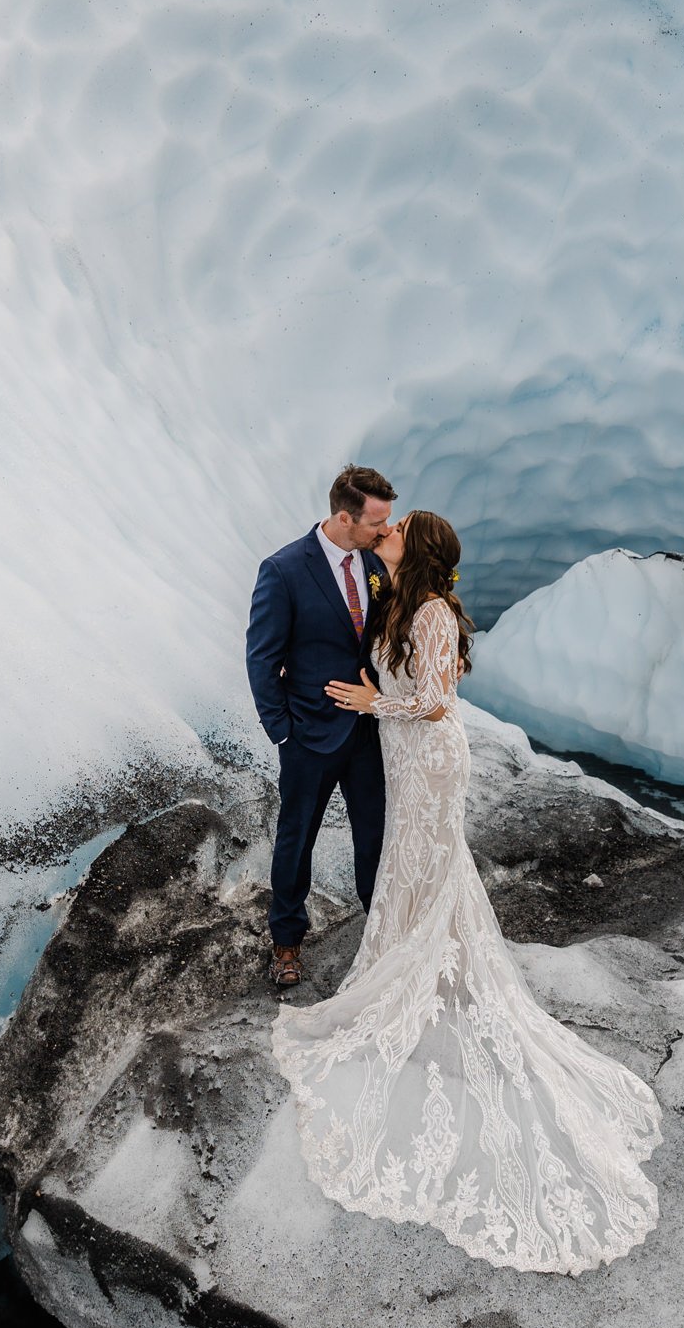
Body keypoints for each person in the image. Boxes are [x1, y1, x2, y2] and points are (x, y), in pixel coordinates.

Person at [271, 508, 661, 1275]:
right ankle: (413, 960)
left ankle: (418, 973)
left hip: (431, 756)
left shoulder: (433, 612)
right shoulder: (401, 600)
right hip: (405, 756)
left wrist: (367, 701)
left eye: (399, 526)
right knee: (415, 869)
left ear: (415, 548)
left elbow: (438, 701)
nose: (389, 528)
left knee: (426, 863)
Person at [245, 465, 398, 989]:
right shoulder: (284, 570)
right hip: (308, 735)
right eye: (376, 520)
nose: (385, 529)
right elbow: (261, 659)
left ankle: (382, 935)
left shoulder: (375, 564)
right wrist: (282, 731)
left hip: (367, 733)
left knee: (375, 838)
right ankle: (286, 941)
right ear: (343, 516)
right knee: (297, 838)